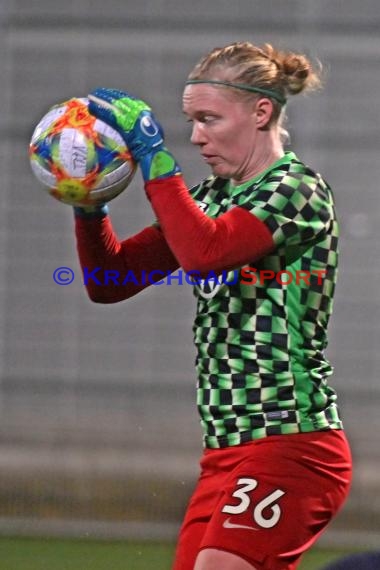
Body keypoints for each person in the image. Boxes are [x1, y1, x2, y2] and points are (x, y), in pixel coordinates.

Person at [73, 42, 352, 570]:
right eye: (190, 121)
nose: (196, 136)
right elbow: (109, 281)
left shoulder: (296, 189)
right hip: (225, 454)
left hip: (292, 443)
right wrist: (89, 207)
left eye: (209, 119)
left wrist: (155, 158)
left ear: (261, 112)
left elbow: (205, 255)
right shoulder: (211, 197)